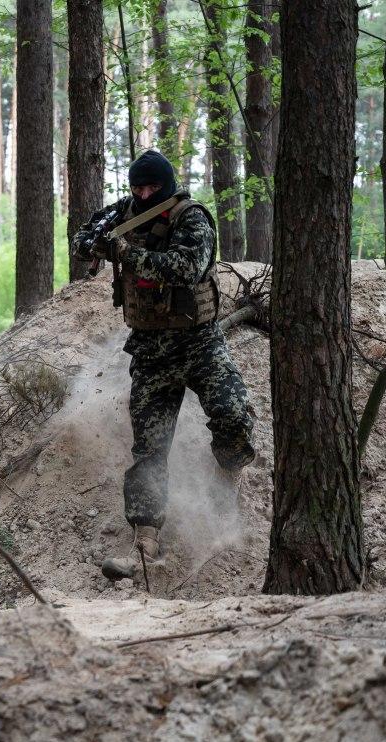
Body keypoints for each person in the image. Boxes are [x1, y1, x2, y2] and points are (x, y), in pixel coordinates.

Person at [72, 150, 256, 581]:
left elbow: (185, 267)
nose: (144, 194)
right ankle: (144, 542)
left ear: (167, 185)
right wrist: (99, 244)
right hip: (152, 352)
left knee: (232, 415)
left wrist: (126, 253)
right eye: (138, 187)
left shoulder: (191, 217)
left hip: (201, 344)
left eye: (152, 187)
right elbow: (83, 239)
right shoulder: (125, 211)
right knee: (149, 452)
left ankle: (227, 474)